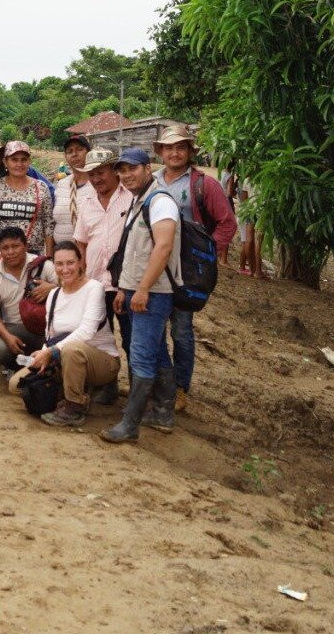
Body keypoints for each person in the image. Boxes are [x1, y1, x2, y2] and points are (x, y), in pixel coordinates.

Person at [100, 147, 182, 444]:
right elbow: (132, 251)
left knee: (141, 355)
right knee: (157, 350)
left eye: (132, 168)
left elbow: (163, 247)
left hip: (154, 292)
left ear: (148, 168)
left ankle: (130, 424)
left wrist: (143, 288)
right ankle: (162, 413)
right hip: (138, 289)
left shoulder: (160, 202)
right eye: (121, 170)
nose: (126, 175)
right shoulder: (140, 201)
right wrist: (125, 287)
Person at [152, 124, 237, 412]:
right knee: (153, 328)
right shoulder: (151, 182)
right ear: (160, 152)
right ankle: (158, 382)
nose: (174, 152)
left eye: (181, 147)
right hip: (154, 267)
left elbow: (227, 222)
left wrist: (207, 254)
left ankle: (180, 388)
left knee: (182, 331)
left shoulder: (204, 184)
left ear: (189, 151)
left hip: (185, 273)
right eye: (169, 147)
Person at [24, 242, 122, 427]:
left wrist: (51, 352)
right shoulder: (53, 294)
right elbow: (50, 333)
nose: (65, 269)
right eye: (59, 264)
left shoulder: (94, 288)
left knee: (71, 350)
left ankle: (75, 406)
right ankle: (70, 390)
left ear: (80, 263)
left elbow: (87, 330)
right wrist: (43, 354)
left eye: (70, 263)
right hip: (64, 357)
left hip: (102, 360)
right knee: (18, 385)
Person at [73, 148, 135, 373]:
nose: (96, 179)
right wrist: (81, 279)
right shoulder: (87, 202)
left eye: (101, 172)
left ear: (115, 171)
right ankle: (106, 383)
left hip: (126, 283)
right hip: (96, 282)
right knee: (98, 338)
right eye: (92, 174)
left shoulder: (131, 197)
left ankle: (140, 389)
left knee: (131, 339)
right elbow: (81, 243)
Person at [0, 227, 58, 367]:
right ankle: (19, 369)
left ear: (25, 246)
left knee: (61, 346)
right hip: (14, 327)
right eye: (5, 248)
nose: (10, 252)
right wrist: (7, 337)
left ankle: (47, 369)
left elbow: (72, 287)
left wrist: (53, 288)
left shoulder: (43, 265)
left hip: (47, 327)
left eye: (15, 246)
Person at [0, 141, 54, 257]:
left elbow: (48, 224)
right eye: (14, 160)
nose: (19, 164)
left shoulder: (41, 187)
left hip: (33, 255)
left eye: (23, 159)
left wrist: (48, 257)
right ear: (5, 162)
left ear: (29, 161)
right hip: (4, 255)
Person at [53, 134, 94, 244]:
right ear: (65, 156)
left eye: (79, 149)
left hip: (89, 251)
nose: (74, 154)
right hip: (62, 254)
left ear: (88, 152)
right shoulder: (62, 184)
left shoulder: (97, 183)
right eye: (69, 151)